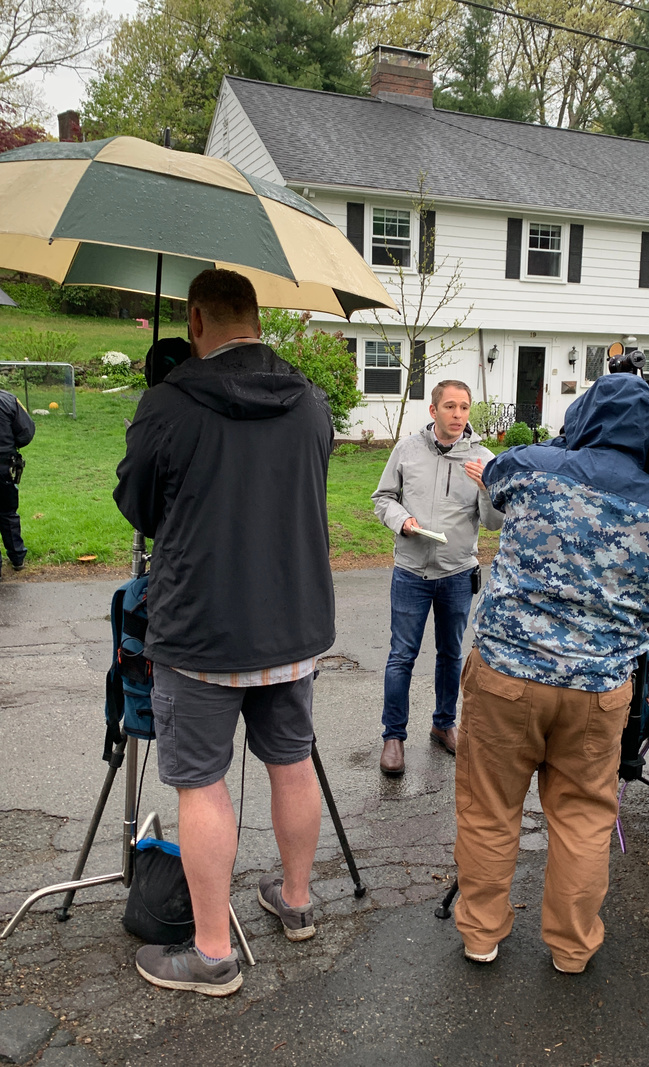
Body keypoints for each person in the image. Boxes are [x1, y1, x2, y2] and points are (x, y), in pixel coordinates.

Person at [114, 269, 335, 996]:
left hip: (202, 631)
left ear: (196, 320)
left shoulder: (168, 403)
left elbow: (138, 505)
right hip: (293, 625)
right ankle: (296, 901)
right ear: (257, 318)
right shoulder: (311, 403)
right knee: (291, 762)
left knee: (202, 784)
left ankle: (212, 952)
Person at [453, 373, 649, 970]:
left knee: (489, 809)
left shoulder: (531, 467)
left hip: (506, 676)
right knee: (584, 818)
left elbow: (495, 480)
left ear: (583, 416)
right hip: (598, 692)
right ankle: (571, 948)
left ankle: (481, 936)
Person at [372, 380, 504, 777]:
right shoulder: (407, 450)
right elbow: (383, 498)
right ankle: (393, 737)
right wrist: (401, 520)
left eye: (464, 407)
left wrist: (486, 488)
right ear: (433, 411)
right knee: (401, 656)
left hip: (457, 573)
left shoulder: (483, 459)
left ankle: (444, 724)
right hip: (411, 572)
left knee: (451, 655)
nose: (458, 414)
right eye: (450, 406)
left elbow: (494, 523)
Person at [0, 388, 35, 578]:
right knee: (8, 512)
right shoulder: (8, 400)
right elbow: (26, 432)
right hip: (4, 465)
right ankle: (17, 557)